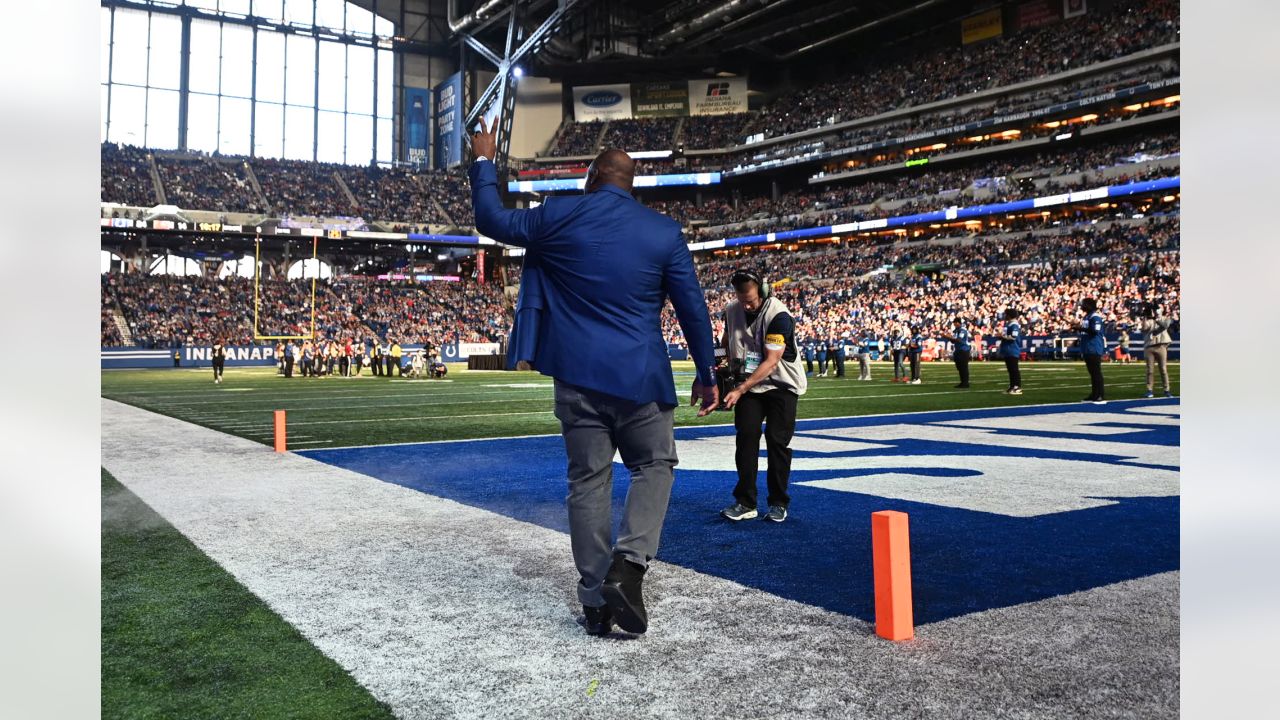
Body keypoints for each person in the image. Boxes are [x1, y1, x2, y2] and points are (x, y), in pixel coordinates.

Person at [469, 118, 718, 637]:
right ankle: (628, 568)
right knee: (654, 464)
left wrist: (484, 158)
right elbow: (692, 308)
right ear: (630, 184)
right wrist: (706, 370)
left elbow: (491, 219)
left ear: (591, 177)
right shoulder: (663, 231)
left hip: (577, 379)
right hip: (641, 377)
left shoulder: (559, 215)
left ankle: (594, 601)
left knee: (588, 480)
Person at [718, 269, 808, 525]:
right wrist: (716, 371)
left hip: (781, 384)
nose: (747, 305)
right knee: (745, 438)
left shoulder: (779, 315)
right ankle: (745, 502)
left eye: (751, 300)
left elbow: (771, 362)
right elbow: (725, 343)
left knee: (777, 442)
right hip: (749, 385)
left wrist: (740, 388)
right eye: (742, 299)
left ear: (764, 290)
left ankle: (778, 502)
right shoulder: (732, 310)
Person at [1138, 303, 1174, 398]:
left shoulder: (1165, 318)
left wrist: (1156, 319)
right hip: (1149, 347)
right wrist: (1145, 317)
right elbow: (1144, 328)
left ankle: (1167, 390)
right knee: (1150, 370)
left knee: (1163, 369)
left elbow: (1165, 326)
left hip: (1161, 346)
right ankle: (1149, 390)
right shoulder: (1148, 320)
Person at [1077, 297, 1107, 404]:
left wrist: (1080, 329)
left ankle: (1100, 394)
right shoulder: (1087, 316)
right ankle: (1094, 393)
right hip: (1087, 347)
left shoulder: (1095, 317)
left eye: (1084, 304)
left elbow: (1095, 331)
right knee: (1092, 373)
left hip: (1094, 347)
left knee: (1096, 372)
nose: (1082, 306)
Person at [941, 317, 972, 388]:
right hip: (958, 350)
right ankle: (962, 382)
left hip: (964, 350)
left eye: (955, 323)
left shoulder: (962, 330)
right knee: (959, 367)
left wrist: (946, 336)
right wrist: (947, 337)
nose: (954, 324)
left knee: (963, 367)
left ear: (958, 322)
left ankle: (965, 383)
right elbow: (953, 341)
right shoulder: (956, 330)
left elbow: (958, 340)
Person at [998, 309, 1022, 395]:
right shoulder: (1009, 324)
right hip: (1008, 349)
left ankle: (1017, 387)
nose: (1005, 316)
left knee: (1014, 369)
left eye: (1006, 314)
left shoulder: (1014, 324)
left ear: (1009, 315)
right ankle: (1012, 386)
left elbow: (1013, 336)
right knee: (1010, 370)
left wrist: (1003, 337)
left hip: (1012, 349)